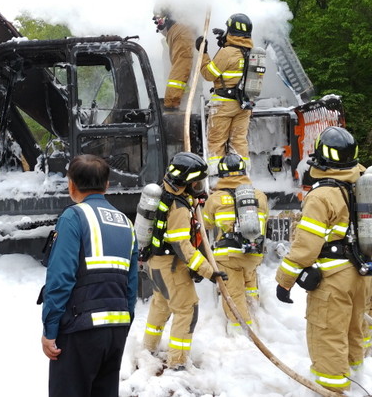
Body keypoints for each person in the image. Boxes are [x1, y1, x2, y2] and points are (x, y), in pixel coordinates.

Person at [275, 126, 369, 393]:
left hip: (333, 279)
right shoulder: (362, 180)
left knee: (327, 336)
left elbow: (305, 248)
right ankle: (359, 383)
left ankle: (331, 390)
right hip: (361, 271)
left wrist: (284, 280)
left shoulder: (322, 195)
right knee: (353, 330)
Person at [40, 154, 138, 397]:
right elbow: (131, 284)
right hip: (115, 329)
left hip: (79, 331)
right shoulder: (126, 223)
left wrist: (50, 329)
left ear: (71, 185)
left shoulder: (74, 217)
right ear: (107, 185)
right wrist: (123, 326)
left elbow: (60, 278)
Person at [142, 152, 227, 371]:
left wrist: (193, 200)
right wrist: (209, 271)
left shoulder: (164, 193)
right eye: (195, 182)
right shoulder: (178, 208)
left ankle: (147, 350)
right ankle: (177, 364)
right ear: (185, 182)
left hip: (155, 263)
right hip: (170, 267)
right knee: (187, 310)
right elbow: (182, 245)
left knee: (161, 306)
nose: (198, 186)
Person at [202, 154, 268, 330]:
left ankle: (242, 333)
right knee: (249, 282)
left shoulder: (215, 198)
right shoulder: (260, 196)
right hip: (253, 253)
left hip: (228, 256)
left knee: (234, 294)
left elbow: (205, 224)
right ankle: (256, 311)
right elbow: (264, 221)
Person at [198, 13, 254, 174]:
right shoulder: (250, 51)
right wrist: (225, 41)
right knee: (239, 142)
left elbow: (209, 74)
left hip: (223, 104)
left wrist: (204, 53)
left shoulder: (228, 53)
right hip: (244, 104)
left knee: (216, 141)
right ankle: (242, 174)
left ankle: (217, 176)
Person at [153, 7, 196, 109]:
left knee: (181, 72)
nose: (158, 24)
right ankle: (182, 100)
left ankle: (178, 100)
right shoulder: (176, 35)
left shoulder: (181, 36)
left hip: (180, 102)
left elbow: (179, 75)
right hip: (183, 100)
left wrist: (170, 104)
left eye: (159, 20)